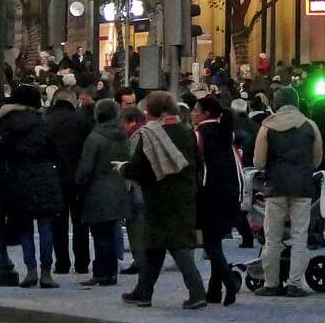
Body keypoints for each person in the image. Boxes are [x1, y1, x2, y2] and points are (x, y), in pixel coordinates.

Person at [120, 90, 208, 309]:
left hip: (159, 196)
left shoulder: (149, 134)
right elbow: (198, 162)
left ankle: (197, 292)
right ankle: (143, 292)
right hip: (185, 193)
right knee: (154, 246)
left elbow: (140, 167)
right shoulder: (186, 131)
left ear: (151, 111)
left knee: (176, 245)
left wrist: (123, 169)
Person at [252, 84, 323, 297]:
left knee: (272, 236)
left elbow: (259, 161)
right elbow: (317, 159)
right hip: (302, 187)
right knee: (299, 235)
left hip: (275, 187)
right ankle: (295, 284)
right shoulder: (310, 126)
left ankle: (271, 283)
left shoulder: (266, 127)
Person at [0, 83, 65, 288]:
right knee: (45, 227)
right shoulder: (43, 121)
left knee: (24, 227)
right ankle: (46, 272)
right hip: (43, 174)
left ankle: (30, 270)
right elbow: (54, 149)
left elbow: (0, 150)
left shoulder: (5, 122)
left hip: (17, 176)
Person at [193, 94, 246, 306]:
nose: (192, 113)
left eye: (195, 110)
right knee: (217, 241)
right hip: (231, 191)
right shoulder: (226, 132)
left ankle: (228, 280)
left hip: (210, 192)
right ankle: (214, 291)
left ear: (205, 113)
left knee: (210, 243)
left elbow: (198, 165)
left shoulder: (201, 134)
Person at [74, 97, 130, 288]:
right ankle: (111, 272)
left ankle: (101, 272)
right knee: (111, 232)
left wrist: (79, 184)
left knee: (100, 234)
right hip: (118, 186)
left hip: (97, 189)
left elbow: (85, 167)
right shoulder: (123, 136)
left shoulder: (95, 137)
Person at [44, 87, 92, 277]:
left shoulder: (47, 121)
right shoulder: (82, 120)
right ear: (73, 102)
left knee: (58, 223)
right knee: (81, 223)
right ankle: (82, 262)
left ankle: (61, 262)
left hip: (55, 177)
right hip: (79, 177)